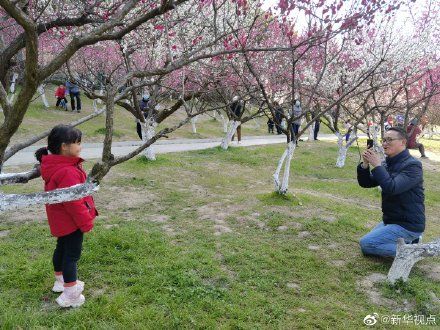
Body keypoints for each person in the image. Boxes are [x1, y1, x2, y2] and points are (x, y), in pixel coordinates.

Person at [35, 125, 98, 308]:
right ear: (64, 146)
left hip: (60, 219)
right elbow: (73, 203)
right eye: (77, 143)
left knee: (61, 249)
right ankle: (70, 294)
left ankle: (60, 281)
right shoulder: (67, 171)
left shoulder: (58, 165)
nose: (80, 146)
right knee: (72, 255)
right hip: (71, 221)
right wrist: (86, 222)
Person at [357, 127, 425, 257]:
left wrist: (377, 166)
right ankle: (412, 242)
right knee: (369, 241)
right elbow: (366, 183)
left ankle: (414, 252)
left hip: (408, 224)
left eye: (389, 140)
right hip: (392, 220)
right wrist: (365, 165)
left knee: (367, 244)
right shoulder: (388, 163)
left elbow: (392, 188)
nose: (384, 143)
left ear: (403, 142)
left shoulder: (413, 166)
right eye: (383, 140)